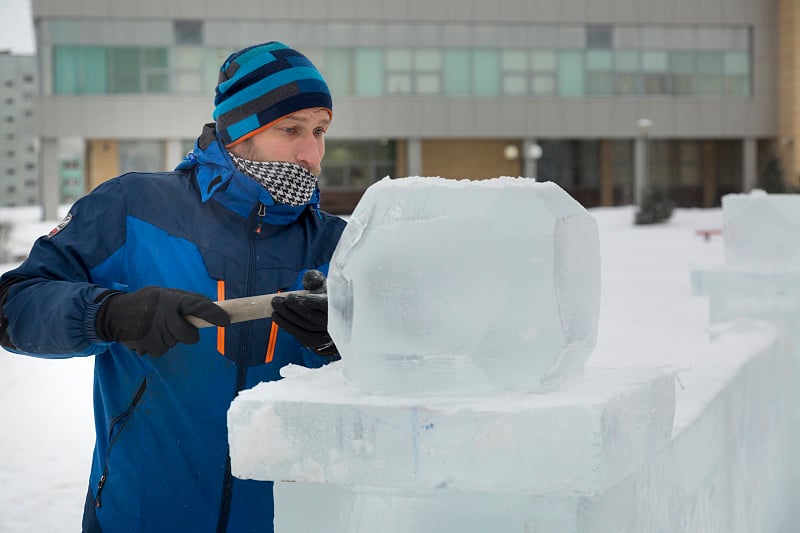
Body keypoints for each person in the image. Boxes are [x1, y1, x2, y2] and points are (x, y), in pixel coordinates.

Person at [0, 41, 346, 532]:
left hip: (286, 520)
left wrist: (343, 343)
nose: (311, 152)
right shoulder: (133, 207)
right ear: (239, 131)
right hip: (139, 516)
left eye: (320, 131)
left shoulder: (340, 246)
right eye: (290, 129)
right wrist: (107, 313)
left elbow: (414, 375)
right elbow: (14, 306)